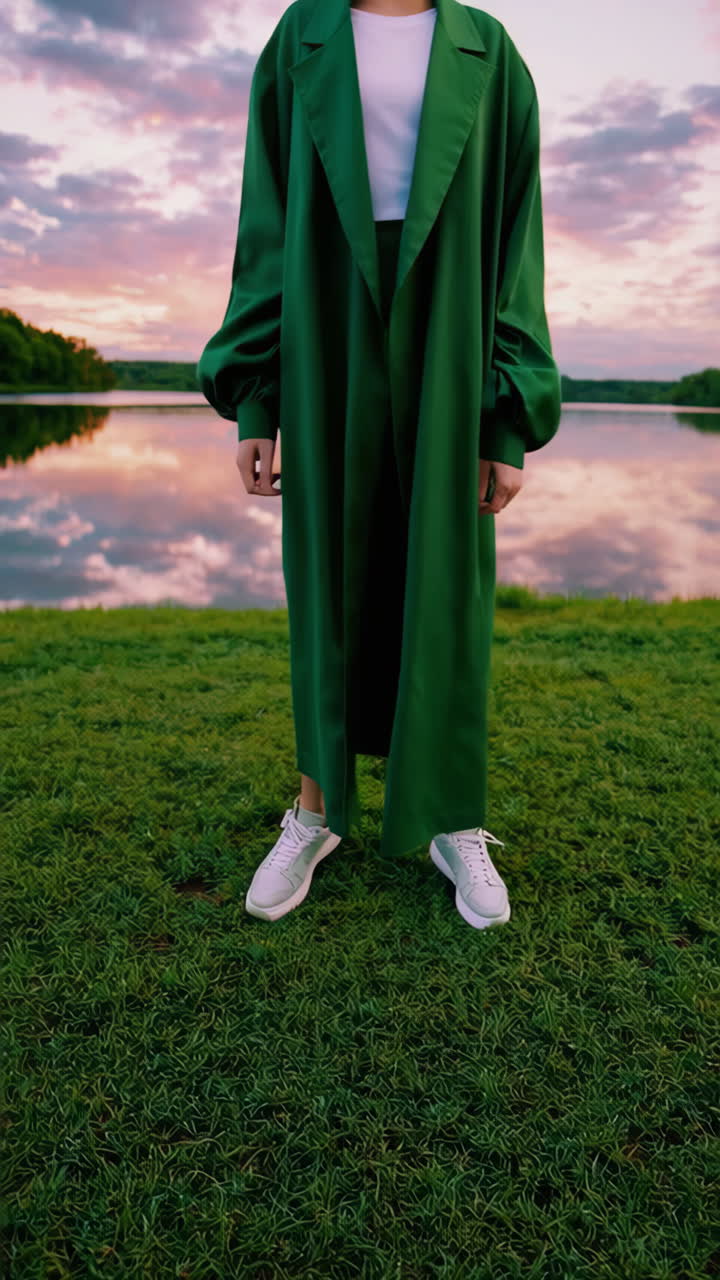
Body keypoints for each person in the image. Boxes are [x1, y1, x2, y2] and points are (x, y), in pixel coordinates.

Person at [196, 0, 562, 928]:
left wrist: (508, 419)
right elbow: (268, 223)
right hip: (326, 307)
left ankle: (450, 816)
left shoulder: (489, 49)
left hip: (455, 304)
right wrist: (257, 395)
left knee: (446, 571)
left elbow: (518, 242)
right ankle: (316, 810)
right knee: (326, 567)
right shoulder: (302, 37)